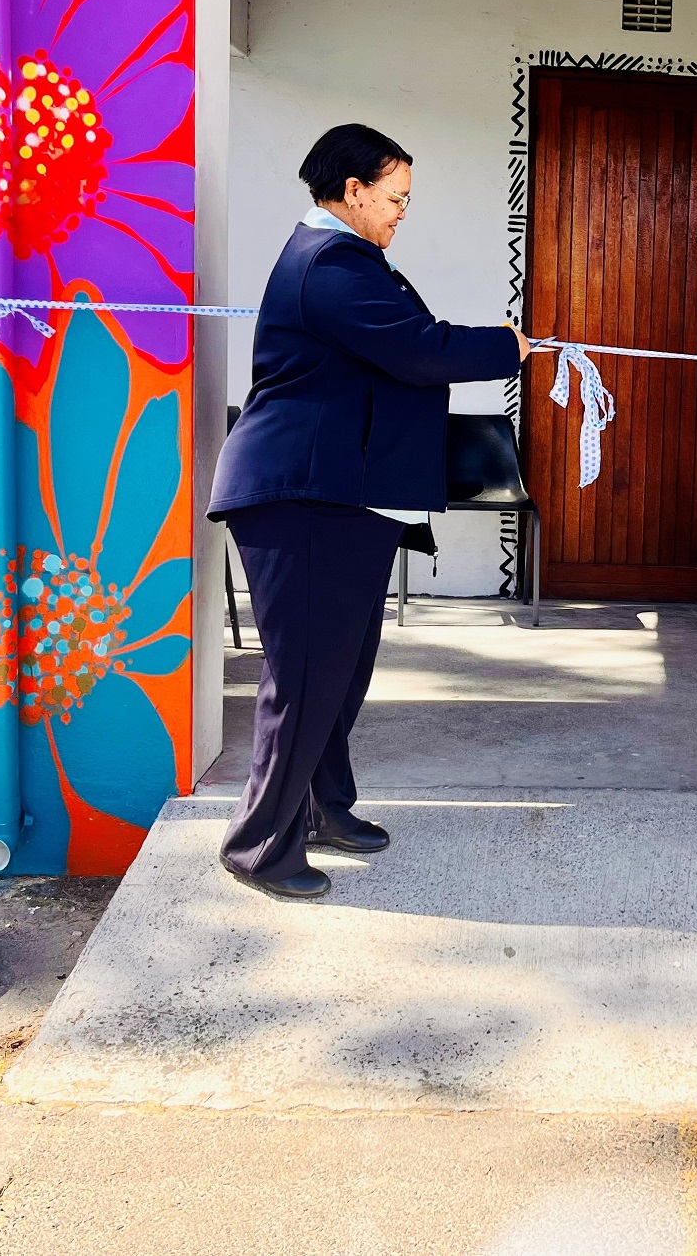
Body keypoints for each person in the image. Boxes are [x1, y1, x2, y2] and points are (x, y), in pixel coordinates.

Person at [209, 124, 530, 899]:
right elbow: (418, 349)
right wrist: (507, 345)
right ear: (351, 191)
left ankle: (326, 809)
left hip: (341, 497)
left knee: (339, 671)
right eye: (395, 197)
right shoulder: (329, 264)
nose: (402, 212)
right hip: (304, 497)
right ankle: (259, 847)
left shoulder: (348, 260)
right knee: (306, 679)